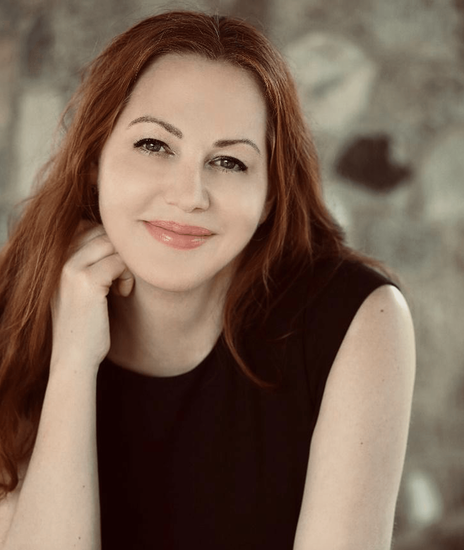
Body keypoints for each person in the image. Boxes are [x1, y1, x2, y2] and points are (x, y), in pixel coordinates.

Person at [0, 10, 415, 550]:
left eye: (230, 162)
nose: (190, 193)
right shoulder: (16, 305)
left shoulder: (359, 320)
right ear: (94, 161)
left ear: (270, 197)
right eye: (155, 145)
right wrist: (73, 361)